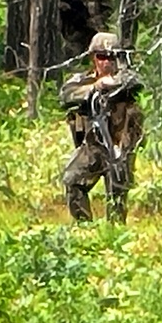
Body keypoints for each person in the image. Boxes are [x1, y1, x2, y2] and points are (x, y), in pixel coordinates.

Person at [59, 32, 143, 223]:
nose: (106, 62)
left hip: (120, 145)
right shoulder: (82, 80)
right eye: (102, 56)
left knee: (117, 193)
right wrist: (95, 87)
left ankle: (114, 236)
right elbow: (66, 94)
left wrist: (113, 83)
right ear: (93, 58)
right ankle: (85, 227)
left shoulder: (126, 78)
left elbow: (136, 82)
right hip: (93, 145)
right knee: (72, 180)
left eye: (111, 56)